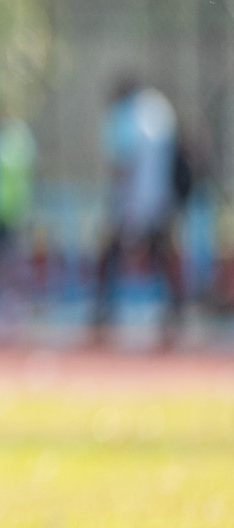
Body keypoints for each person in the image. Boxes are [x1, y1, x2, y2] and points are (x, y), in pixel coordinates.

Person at [92, 76, 184, 343]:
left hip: (133, 199)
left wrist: (119, 202)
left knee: (110, 251)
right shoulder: (159, 109)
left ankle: (103, 308)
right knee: (162, 254)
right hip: (160, 198)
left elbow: (123, 163)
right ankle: (175, 310)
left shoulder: (125, 115)